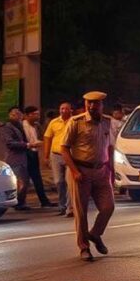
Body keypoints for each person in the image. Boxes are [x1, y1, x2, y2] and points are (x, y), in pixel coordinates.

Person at [61, 91, 115, 261]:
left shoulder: (107, 122)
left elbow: (110, 147)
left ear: (102, 105)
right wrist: (75, 171)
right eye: (89, 103)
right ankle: (84, 247)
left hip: (102, 171)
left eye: (96, 103)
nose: (92, 106)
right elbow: (64, 148)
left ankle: (95, 234)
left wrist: (111, 169)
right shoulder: (76, 122)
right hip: (81, 171)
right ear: (85, 104)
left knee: (108, 207)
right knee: (81, 212)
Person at [2, 107, 42, 210]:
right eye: (14, 114)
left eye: (19, 113)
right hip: (15, 158)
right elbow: (10, 143)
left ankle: (21, 202)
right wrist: (28, 145)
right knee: (20, 181)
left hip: (25, 156)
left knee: (25, 181)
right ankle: (17, 203)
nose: (17, 115)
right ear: (10, 115)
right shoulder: (7, 127)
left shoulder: (21, 125)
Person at [44, 102, 75, 217]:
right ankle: (62, 206)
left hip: (70, 155)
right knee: (58, 182)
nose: (64, 111)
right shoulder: (54, 122)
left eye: (66, 109)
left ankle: (70, 208)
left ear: (71, 110)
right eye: (62, 108)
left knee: (69, 182)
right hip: (56, 155)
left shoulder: (75, 121)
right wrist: (46, 156)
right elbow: (47, 138)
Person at [22, 106, 56, 208]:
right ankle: (20, 202)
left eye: (38, 114)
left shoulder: (36, 126)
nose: (37, 116)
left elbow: (43, 136)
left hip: (34, 153)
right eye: (35, 114)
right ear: (27, 115)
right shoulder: (22, 125)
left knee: (37, 178)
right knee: (24, 179)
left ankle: (44, 201)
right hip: (24, 154)